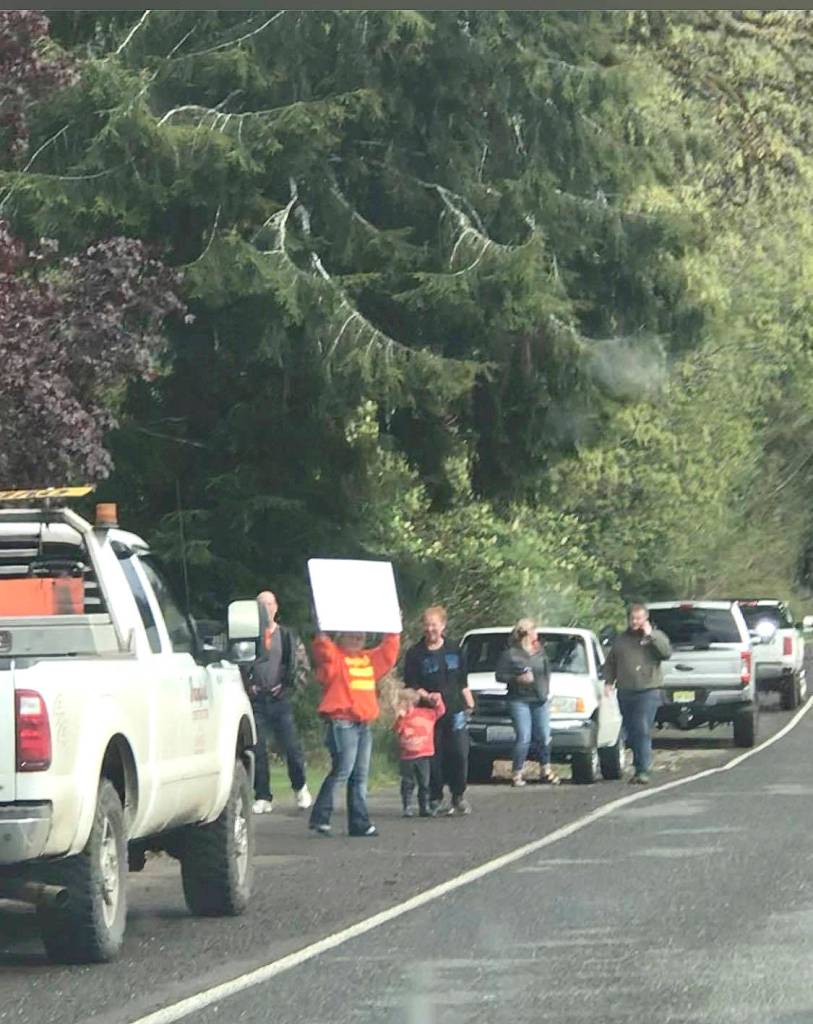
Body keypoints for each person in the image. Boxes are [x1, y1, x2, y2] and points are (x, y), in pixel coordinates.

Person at [308, 629, 400, 837]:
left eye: (360, 635)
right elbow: (323, 650)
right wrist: (322, 631)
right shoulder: (336, 658)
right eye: (352, 634)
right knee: (343, 770)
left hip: (363, 723)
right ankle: (320, 816)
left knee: (360, 775)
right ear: (342, 637)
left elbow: (388, 653)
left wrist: (393, 629)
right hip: (342, 722)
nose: (357, 638)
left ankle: (359, 823)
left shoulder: (368, 660)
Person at [403, 606, 474, 816]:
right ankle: (435, 797)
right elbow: (412, 685)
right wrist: (427, 696)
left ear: (443, 625)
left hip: (455, 711)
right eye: (427, 624)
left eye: (434, 624)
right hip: (428, 715)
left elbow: (462, 680)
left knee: (460, 753)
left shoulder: (455, 649)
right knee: (434, 757)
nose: (430, 628)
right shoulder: (415, 654)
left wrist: (469, 701)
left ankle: (458, 795)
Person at [247, 590, 312, 814]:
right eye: (260, 605)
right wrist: (247, 686)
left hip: (280, 699)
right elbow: (236, 664)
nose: (265, 608)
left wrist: (289, 689)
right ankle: (263, 795)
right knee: (257, 749)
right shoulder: (247, 637)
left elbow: (302, 666)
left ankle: (300, 786)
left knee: (291, 747)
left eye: (269, 604)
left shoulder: (287, 636)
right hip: (255, 700)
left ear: (276, 607)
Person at [603, 603, 672, 785]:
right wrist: (609, 682)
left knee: (641, 728)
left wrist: (651, 636)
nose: (635, 622)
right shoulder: (621, 639)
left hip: (648, 690)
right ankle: (638, 765)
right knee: (631, 731)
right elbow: (611, 662)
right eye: (632, 618)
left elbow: (666, 653)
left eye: (639, 618)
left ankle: (643, 770)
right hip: (626, 690)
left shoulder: (655, 637)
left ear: (645, 619)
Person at [495, 618, 560, 787]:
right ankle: (517, 772)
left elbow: (547, 672)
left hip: (540, 699)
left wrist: (545, 690)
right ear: (526, 633)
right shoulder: (511, 654)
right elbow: (499, 676)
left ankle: (545, 769)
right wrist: (517, 679)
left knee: (544, 735)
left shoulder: (540, 651)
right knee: (524, 736)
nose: (536, 633)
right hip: (519, 700)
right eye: (534, 629)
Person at [393, 688, 446, 817]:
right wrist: (400, 718)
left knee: (424, 783)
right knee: (407, 782)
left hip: (424, 754)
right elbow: (396, 730)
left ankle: (424, 807)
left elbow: (440, 711)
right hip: (407, 756)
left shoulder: (426, 713)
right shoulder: (402, 718)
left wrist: (435, 699)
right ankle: (407, 806)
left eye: (405, 703)